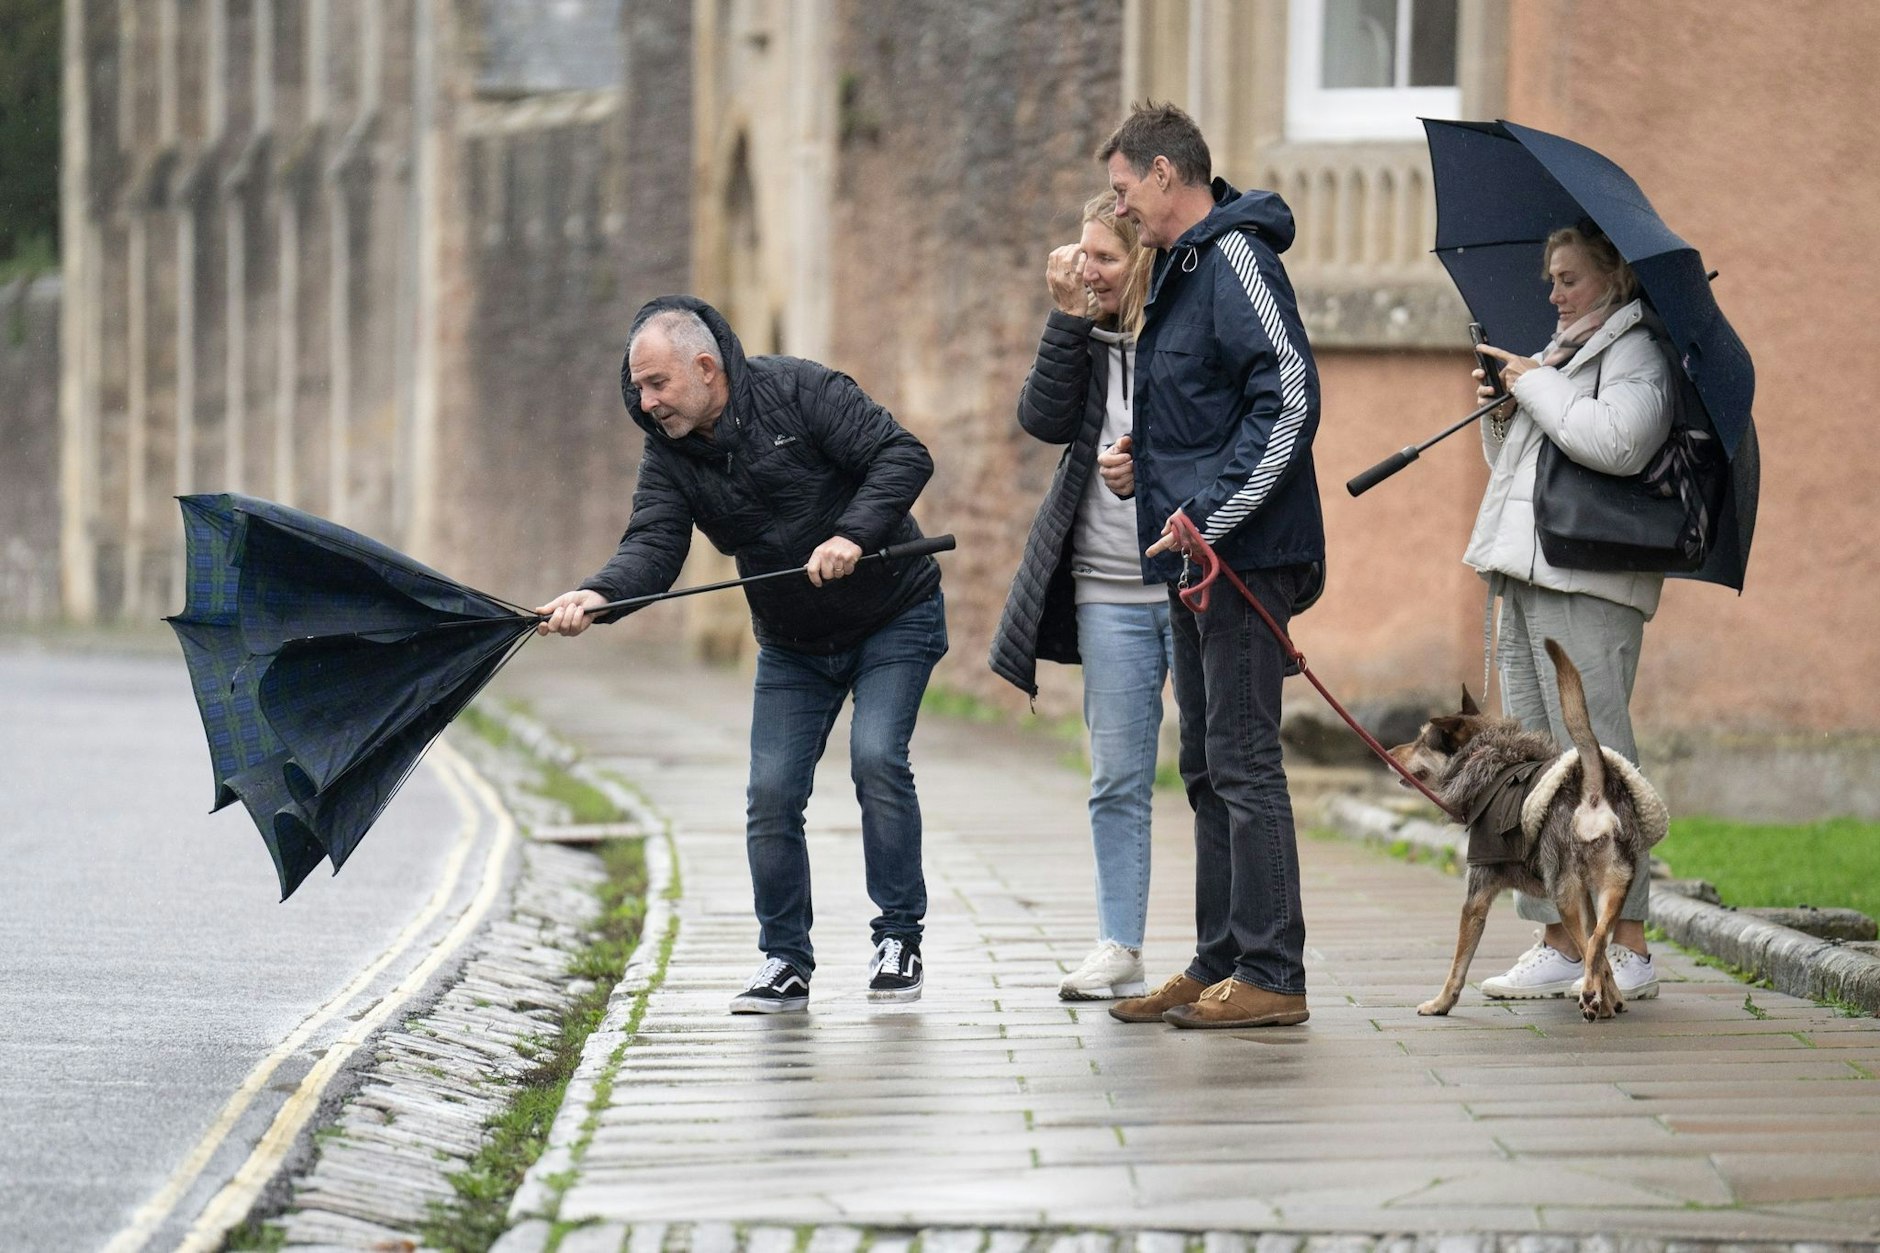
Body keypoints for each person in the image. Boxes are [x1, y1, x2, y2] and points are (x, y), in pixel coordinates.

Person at [536, 296, 948, 1015]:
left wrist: (851, 533)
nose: (646, 401)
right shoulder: (668, 450)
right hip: (793, 643)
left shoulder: (802, 389)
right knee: (772, 794)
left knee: (877, 758)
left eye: (657, 383)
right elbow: (653, 543)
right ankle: (784, 960)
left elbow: (902, 455)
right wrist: (599, 595)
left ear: (705, 367)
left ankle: (898, 939)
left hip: (893, 616)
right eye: (638, 387)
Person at [1091, 103, 1326, 1030]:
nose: (1118, 209)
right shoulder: (1182, 272)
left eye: (1122, 189)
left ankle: (1273, 973)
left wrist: (1213, 522)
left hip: (1244, 558)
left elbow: (1292, 397)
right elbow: (1209, 416)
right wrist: (1140, 462)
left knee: (1243, 758)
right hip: (1196, 563)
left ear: (1163, 173)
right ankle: (1220, 960)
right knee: (1202, 762)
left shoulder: (1238, 258)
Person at [1466, 223, 1674, 1003]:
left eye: (1569, 279)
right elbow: (1520, 470)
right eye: (1551, 279)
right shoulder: (1561, 355)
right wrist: (1502, 412)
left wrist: (1536, 387)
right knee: (1537, 768)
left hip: (1589, 581)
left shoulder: (1638, 352)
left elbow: (1617, 442)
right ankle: (1560, 937)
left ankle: (1629, 945)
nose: (1553, 294)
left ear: (1615, 278)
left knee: (1597, 763)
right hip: (1526, 570)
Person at [990, 191, 1169, 1001]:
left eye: (1105, 257)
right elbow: (1043, 418)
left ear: (1143, 258)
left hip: (1185, 580)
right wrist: (1066, 321)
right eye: (1083, 253)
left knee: (1215, 769)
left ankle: (1233, 948)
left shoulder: (1177, 330)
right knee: (1117, 778)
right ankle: (1118, 944)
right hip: (1105, 589)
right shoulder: (1083, 334)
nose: (1087, 270)